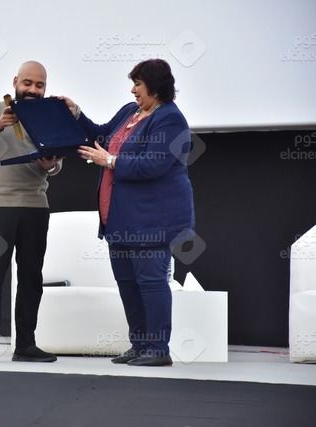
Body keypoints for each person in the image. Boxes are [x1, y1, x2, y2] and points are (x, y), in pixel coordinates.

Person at [69, 58, 195, 367]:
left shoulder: (170, 119)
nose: (133, 90)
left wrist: (110, 162)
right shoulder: (130, 111)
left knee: (151, 283)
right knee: (127, 284)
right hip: (120, 220)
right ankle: (139, 345)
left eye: (138, 84)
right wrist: (77, 114)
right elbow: (101, 136)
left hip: (151, 222)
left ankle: (158, 349)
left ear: (155, 86)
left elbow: (154, 164)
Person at [0, 61, 61, 363]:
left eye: (39, 85)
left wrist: (51, 165)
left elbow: (57, 163)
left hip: (36, 206)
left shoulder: (50, 116)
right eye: (27, 83)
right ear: (15, 82)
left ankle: (25, 346)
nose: (33, 89)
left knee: (31, 278)